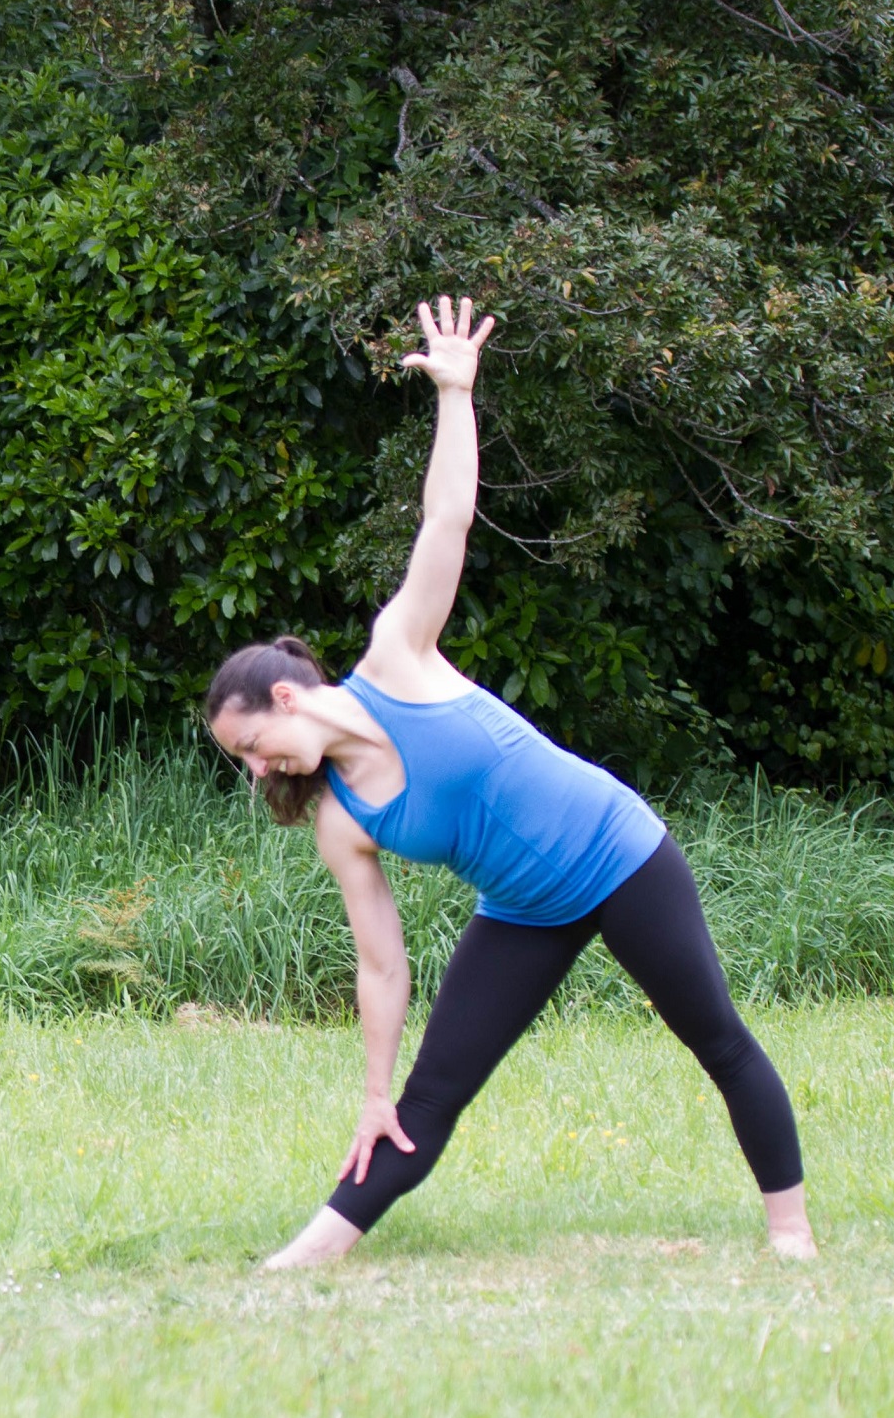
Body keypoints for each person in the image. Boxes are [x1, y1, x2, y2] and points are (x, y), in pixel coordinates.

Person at [206, 294, 815, 1268]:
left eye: (252, 744)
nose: (255, 769)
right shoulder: (339, 819)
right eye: (243, 762)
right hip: (525, 908)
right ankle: (302, 1263)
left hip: (617, 856)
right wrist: (371, 1089)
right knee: (425, 1100)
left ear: (285, 695)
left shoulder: (397, 656)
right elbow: (380, 964)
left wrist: (456, 391)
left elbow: (446, 517)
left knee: (717, 1039)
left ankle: (789, 1235)